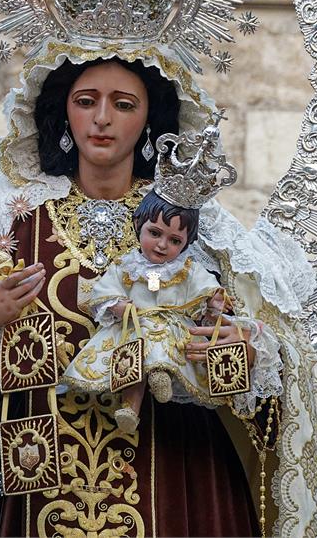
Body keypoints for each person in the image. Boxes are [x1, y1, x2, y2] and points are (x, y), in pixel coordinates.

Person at [0, 45, 317, 538]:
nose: (102, 118)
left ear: (149, 123)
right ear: (65, 116)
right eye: (87, 102)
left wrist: (231, 353)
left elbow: (273, 387)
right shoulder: (10, 224)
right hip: (29, 478)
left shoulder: (198, 232)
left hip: (171, 477)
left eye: (123, 105)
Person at [62, 152, 233, 434]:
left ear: (186, 244)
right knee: (132, 363)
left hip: (170, 328)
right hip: (133, 325)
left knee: (160, 346)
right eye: (155, 233)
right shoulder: (127, 265)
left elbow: (203, 287)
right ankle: (130, 408)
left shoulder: (186, 268)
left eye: (175, 240)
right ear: (139, 226)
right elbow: (105, 290)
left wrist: (215, 298)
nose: (162, 245)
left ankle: (161, 375)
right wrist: (116, 306)